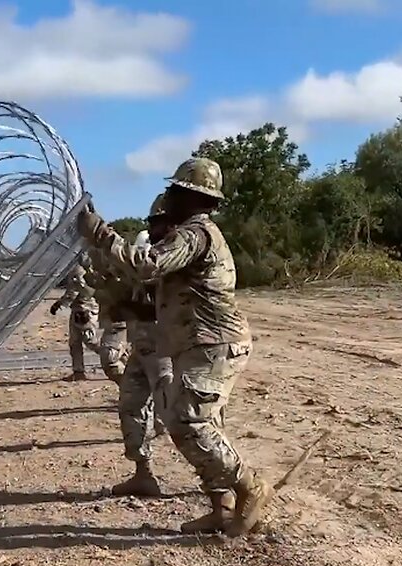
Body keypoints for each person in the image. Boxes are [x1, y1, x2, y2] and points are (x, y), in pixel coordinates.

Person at [75, 156, 270, 537]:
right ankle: (222, 508)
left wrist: (100, 233)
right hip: (201, 344)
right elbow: (160, 297)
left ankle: (250, 487)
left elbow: (146, 265)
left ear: (199, 199)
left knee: (187, 421)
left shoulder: (195, 234)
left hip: (215, 344)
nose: (170, 197)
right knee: (197, 422)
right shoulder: (192, 235)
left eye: (179, 191)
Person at [105, 194, 176, 498]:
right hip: (141, 349)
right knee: (131, 407)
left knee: (181, 419)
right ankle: (143, 473)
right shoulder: (150, 258)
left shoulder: (174, 258)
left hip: (165, 352)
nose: (153, 228)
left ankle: (220, 486)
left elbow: (163, 308)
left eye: (157, 221)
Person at [48, 251, 99, 381]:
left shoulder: (78, 271)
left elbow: (73, 292)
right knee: (75, 342)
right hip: (80, 308)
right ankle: (78, 372)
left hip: (84, 309)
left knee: (90, 341)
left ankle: (116, 357)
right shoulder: (81, 269)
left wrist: (59, 304)